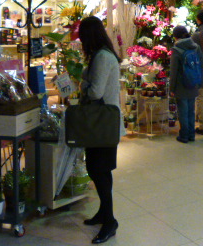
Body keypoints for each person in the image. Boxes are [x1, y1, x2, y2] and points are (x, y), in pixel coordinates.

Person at [78, 16, 123, 244]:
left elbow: (96, 92)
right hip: (102, 123)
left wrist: (82, 84)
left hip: (103, 123)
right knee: (100, 170)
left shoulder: (102, 57)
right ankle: (104, 214)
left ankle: (110, 222)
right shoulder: (102, 54)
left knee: (98, 170)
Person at [169, 25, 201, 143]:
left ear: (175, 36)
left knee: (183, 111)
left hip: (181, 85)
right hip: (193, 83)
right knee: (191, 111)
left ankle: (184, 136)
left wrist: (172, 88)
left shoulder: (176, 50)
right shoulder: (195, 47)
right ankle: (191, 135)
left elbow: (174, 71)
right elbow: (200, 65)